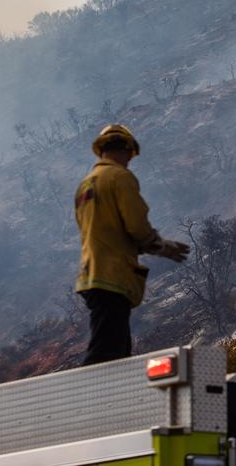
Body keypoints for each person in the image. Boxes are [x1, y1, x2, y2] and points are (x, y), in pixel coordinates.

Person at [74, 124, 189, 365]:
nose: (129, 160)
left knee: (118, 348)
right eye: (129, 154)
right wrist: (162, 246)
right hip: (112, 274)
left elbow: (103, 230)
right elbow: (136, 225)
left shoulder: (85, 185)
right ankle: (89, 396)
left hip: (90, 273)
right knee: (106, 351)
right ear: (126, 149)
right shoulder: (119, 177)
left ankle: (112, 396)